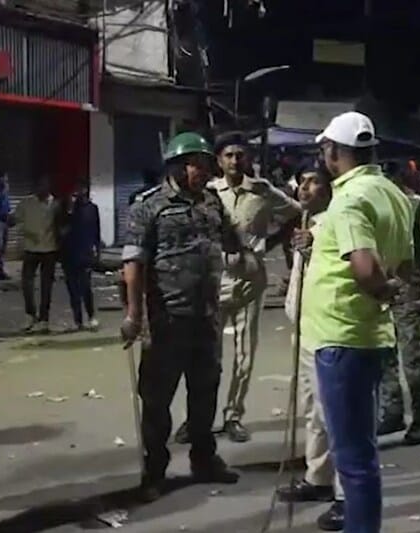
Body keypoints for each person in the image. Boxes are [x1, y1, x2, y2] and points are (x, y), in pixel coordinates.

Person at [120, 132, 250, 503]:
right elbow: (133, 264)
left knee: (205, 392)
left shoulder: (211, 201)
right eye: (196, 165)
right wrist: (134, 316)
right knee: (157, 400)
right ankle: (155, 470)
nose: (204, 172)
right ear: (177, 167)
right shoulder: (149, 205)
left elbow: (232, 240)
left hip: (206, 317)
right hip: (166, 320)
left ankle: (204, 459)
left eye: (207, 165)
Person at [302, 112, 414, 533]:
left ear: (333, 150)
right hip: (368, 334)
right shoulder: (393, 194)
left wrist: (382, 290)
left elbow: (365, 269)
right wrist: (391, 291)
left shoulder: (350, 199)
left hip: (342, 336)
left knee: (352, 459)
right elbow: (405, 265)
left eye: (324, 148)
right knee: (361, 451)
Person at [175, 131, 300, 444]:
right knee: (207, 357)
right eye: (228, 155)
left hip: (249, 282)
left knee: (244, 357)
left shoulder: (263, 191)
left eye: (240, 155)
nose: (234, 160)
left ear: (249, 159)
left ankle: (233, 416)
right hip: (213, 282)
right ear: (219, 161)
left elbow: (296, 214)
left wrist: (270, 243)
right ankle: (197, 418)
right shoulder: (208, 192)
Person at [275, 166, 345, 530]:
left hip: (327, 328)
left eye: (313, 181)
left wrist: (316, 247)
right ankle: (318, 477)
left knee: (333, 412)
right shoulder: (307, 223)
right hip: (303, 326)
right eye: (300, 181)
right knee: (311, 409)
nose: (304, 187)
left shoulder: (336, 223)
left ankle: (345, 493)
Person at [378, 168, 420, 443]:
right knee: (384, 353)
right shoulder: (373, 204)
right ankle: (392, 411)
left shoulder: (416, 206)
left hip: (406, 291)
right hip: (377, 288)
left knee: (411, 358)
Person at [13, 176, 60, 333]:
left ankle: (44, 318)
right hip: (31, 249)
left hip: (49, 250)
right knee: (27, 284)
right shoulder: (26, 203)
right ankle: (30, 314)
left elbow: (62, 224)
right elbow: (15, 220)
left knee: (46, 286)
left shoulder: (56, 205)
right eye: (40, 186)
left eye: (45, 186)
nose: (42, 189)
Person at [60, 183, 101, 331]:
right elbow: (61, 230)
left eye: (80, 189)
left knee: (85, 287)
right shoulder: (66, 209)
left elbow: (96, 231)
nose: (78, 193)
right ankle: (77, 320)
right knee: (73, 290)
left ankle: (91, 316)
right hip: (69, 254)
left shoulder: (91, 209)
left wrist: (97, 251)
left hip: (85, 254)